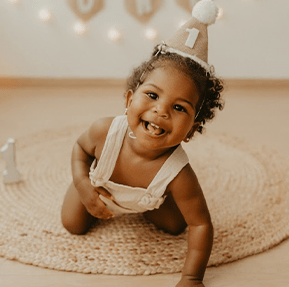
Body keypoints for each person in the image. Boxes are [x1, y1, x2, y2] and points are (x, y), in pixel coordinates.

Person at [61, 0, 224, 286]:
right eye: (152, 95)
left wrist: (192, 278)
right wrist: (83, 186)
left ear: (191, 130)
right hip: (101, 188)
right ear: (128, 100)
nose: (161, 111)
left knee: (177, 225)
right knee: (72, 224)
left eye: (179, 108)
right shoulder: (105, 131)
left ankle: (153, 202)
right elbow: (80, 149)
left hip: (147, 200)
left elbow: (201, 224)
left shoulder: (180, 173)